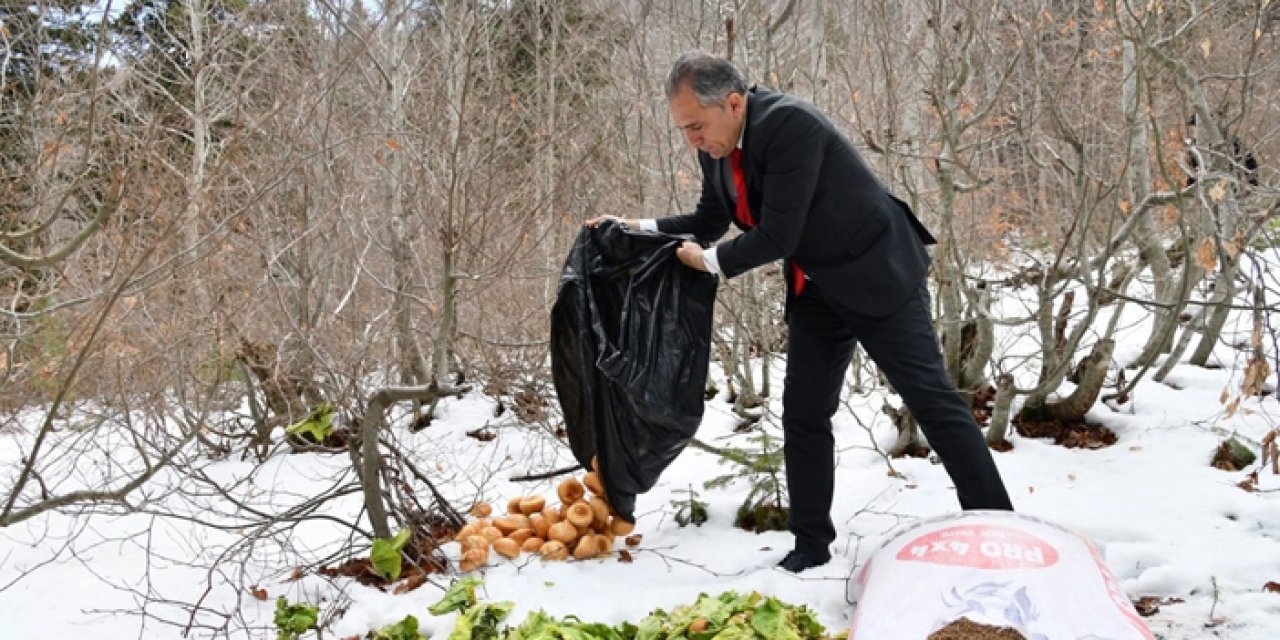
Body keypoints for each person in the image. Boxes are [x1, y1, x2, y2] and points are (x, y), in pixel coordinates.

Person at [589, 51, 1013, 573]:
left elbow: (777, 234)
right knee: (805, 414)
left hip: (876, 272)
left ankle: (1000, 529)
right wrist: (638, 227)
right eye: (683, 130)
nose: (692, 140)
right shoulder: (716, 144)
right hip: (815, 286)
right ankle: (810, 548)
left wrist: (710, 263)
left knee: (933, 402)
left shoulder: (791, 125)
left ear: (734, 102)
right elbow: (708, 218)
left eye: (696, 126)